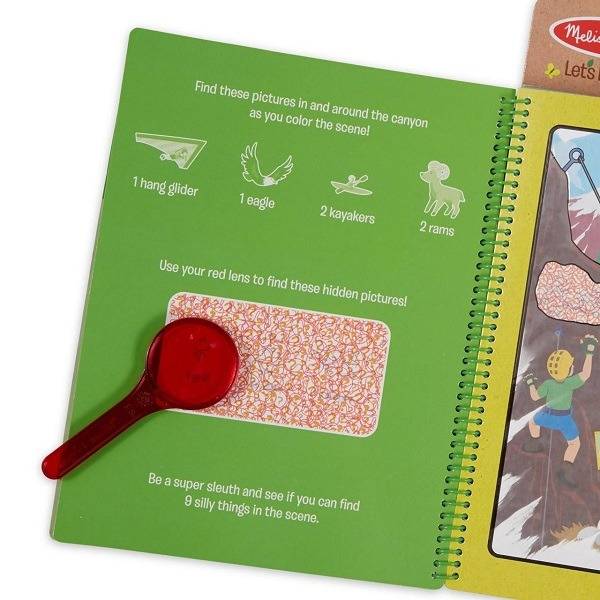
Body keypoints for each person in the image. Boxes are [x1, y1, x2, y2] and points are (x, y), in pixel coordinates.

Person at [522, 334, 598, 488]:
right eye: (571, 366)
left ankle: (535, 442)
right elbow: (585, 374)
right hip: (564, 420)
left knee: (533, 422)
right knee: (574, 444)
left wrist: (530, 384)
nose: (573, 367)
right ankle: (565, 469)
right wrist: (589, 353)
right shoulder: (569, 383)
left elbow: (535, 396)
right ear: (568, 370)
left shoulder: (548, 384)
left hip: (547, 416)